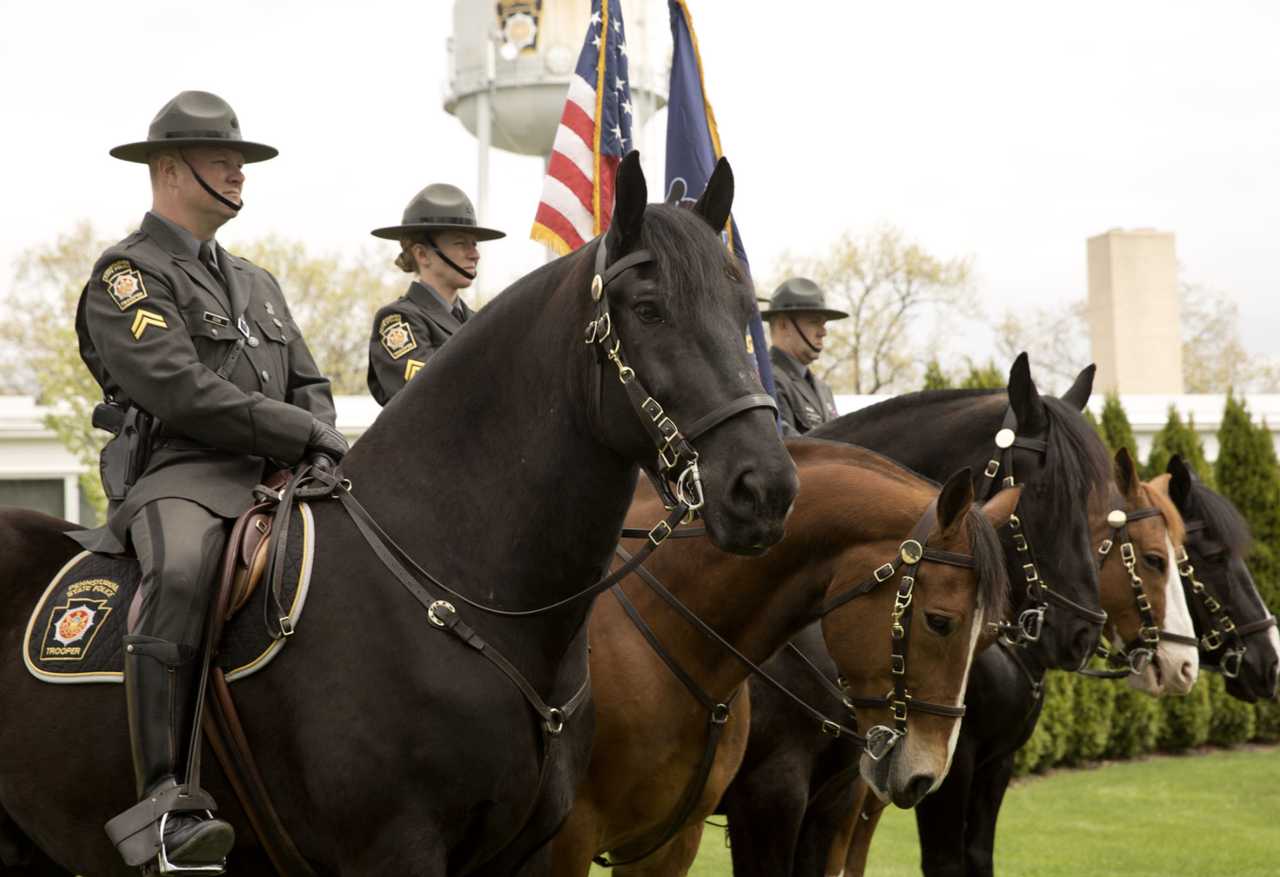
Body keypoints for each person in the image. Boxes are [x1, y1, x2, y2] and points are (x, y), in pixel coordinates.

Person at [70, 90, 347, 873]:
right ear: (167, 168)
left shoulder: (258, 283)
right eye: (223, 157)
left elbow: (310, 383)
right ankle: (163, 804)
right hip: (181, 475)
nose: (239, 170)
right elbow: (180, 390)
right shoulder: (127, 275)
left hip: (280, 479)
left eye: (242, 159)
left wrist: (315, 442)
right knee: (185, 569)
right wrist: (303, 432)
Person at [366, 184, 505, 405]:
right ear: (422, 254)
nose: (475, 254)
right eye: (461, 243)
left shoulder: (480, 320)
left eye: (474, 244)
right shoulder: (398, 321)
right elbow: (426, 394)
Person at [760, 277, 849, 434]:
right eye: (815, 322)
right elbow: (785, 448)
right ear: (783, 325)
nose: (823, 332)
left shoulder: (823, 389)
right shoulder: (766, 379)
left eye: (824, 323)